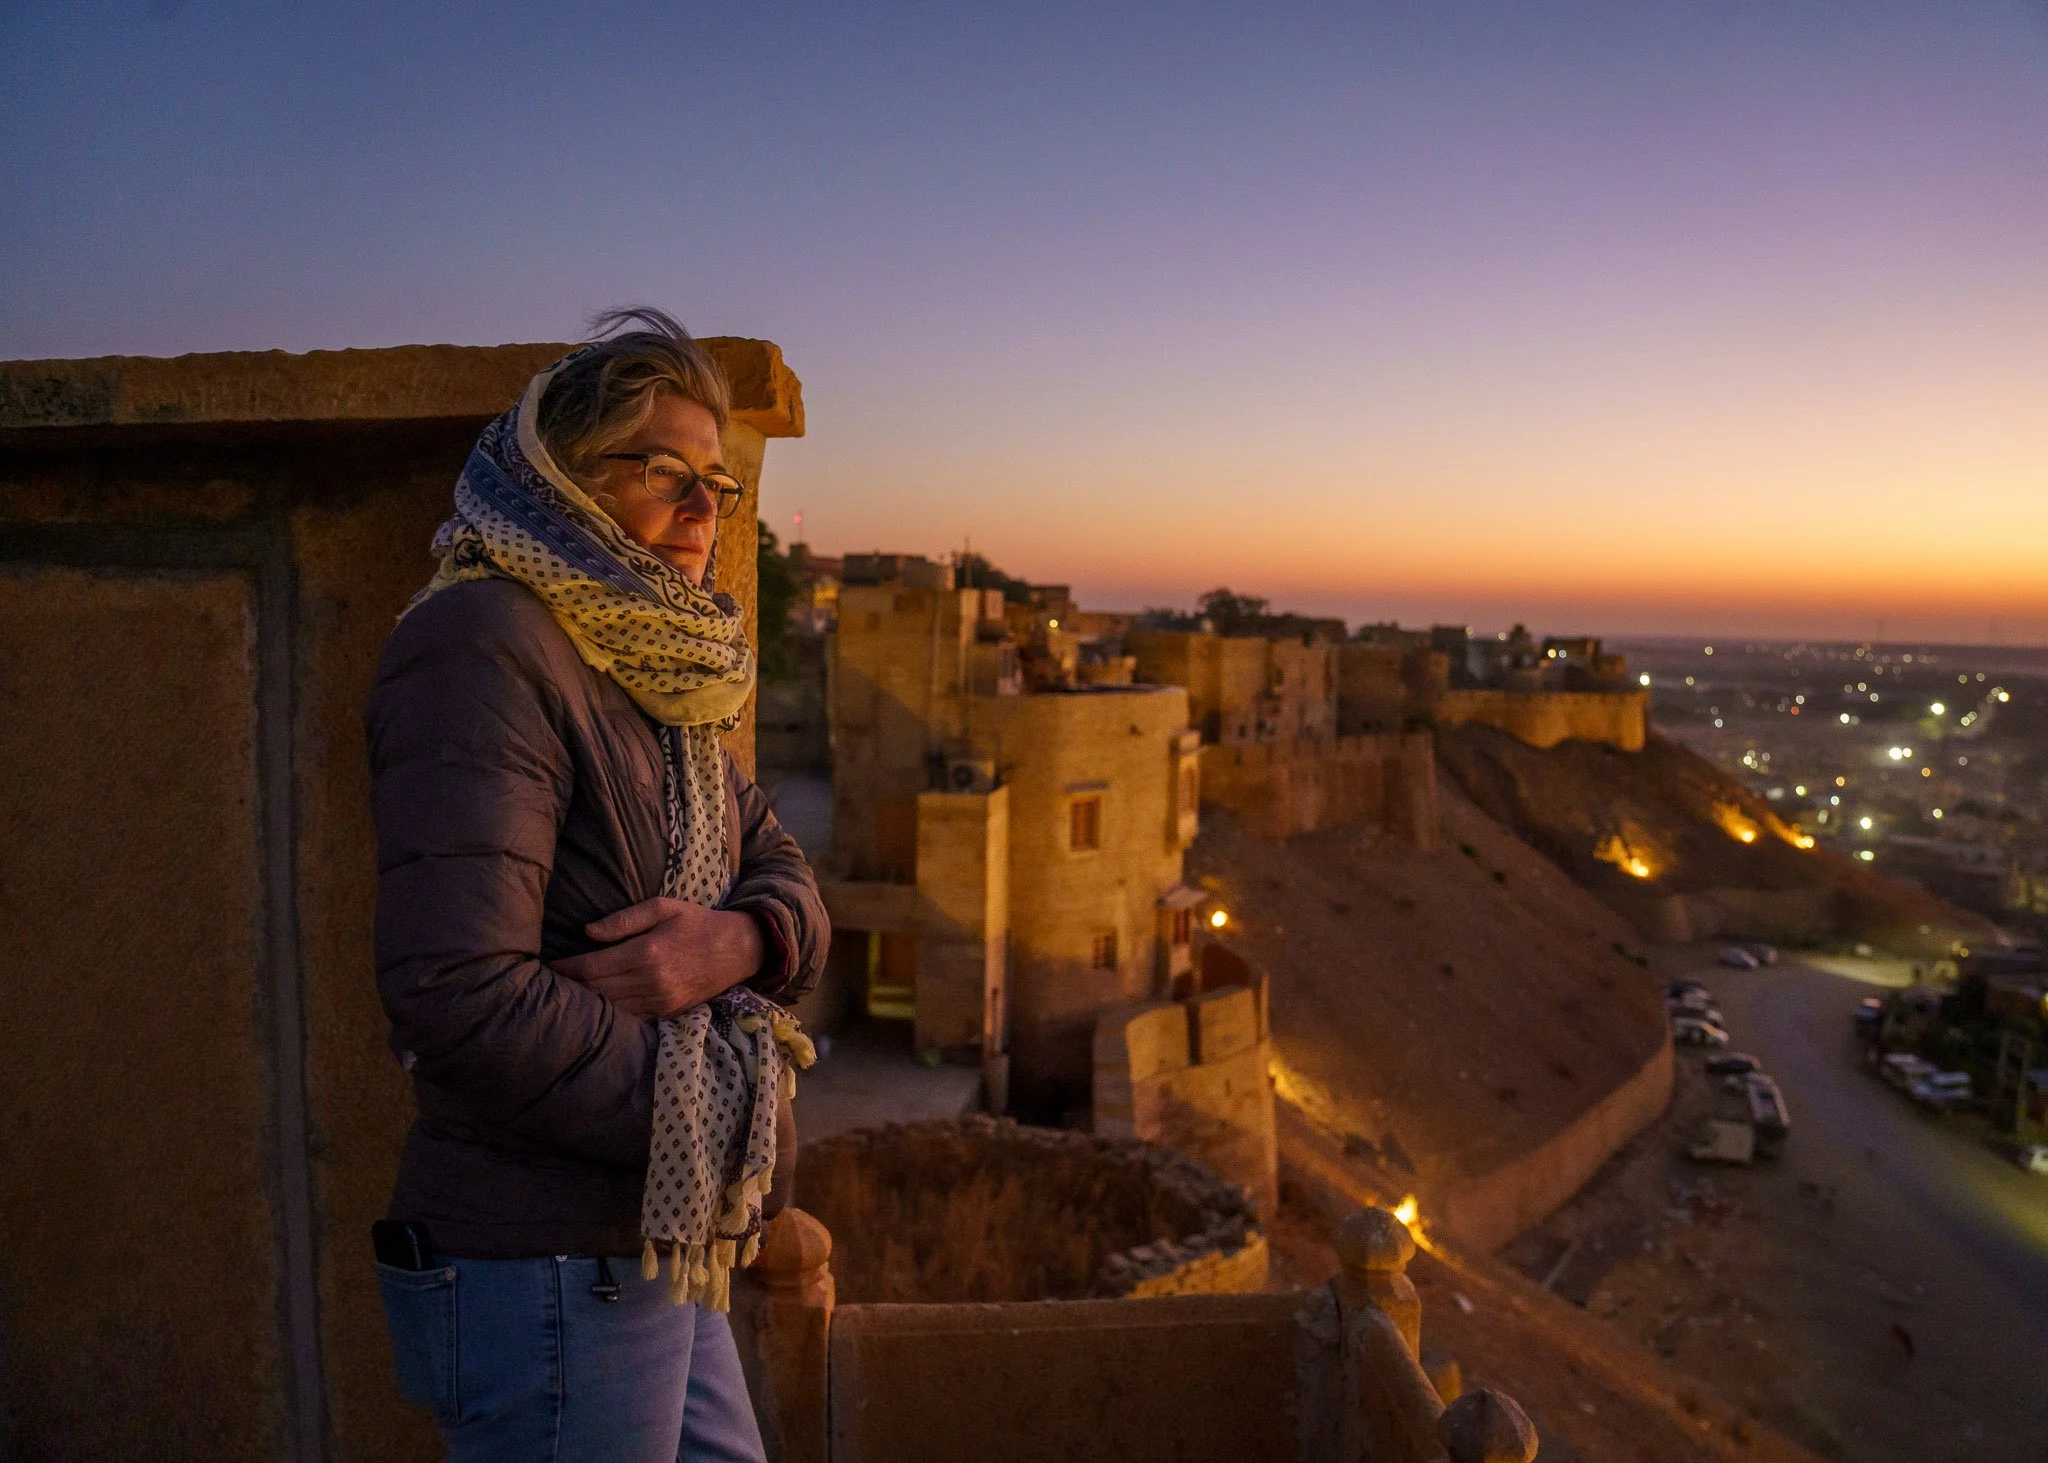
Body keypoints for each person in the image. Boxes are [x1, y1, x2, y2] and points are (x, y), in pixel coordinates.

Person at [364, 307, 828, 1461]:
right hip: (543, 1262)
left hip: (654, 1241)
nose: (701, 509)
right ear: (561, 479)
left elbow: (785, 876)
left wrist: (732, 944)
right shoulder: (485, 643)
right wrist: (719, 1117)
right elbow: (455, 992)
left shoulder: (648, 667)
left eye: (715, 482)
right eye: (657, 468)